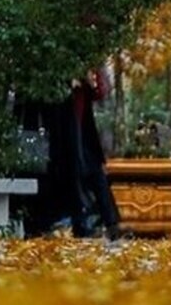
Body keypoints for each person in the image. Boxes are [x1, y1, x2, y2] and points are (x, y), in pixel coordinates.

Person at [46, 68, 122, 239]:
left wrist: (91, 79)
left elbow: (100, 92)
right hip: (64, 135)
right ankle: (81, 222)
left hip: (82, 133)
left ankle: (110, 222)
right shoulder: (61, 76)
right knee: (74, 177)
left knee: (96, 175)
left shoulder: (86, 77)